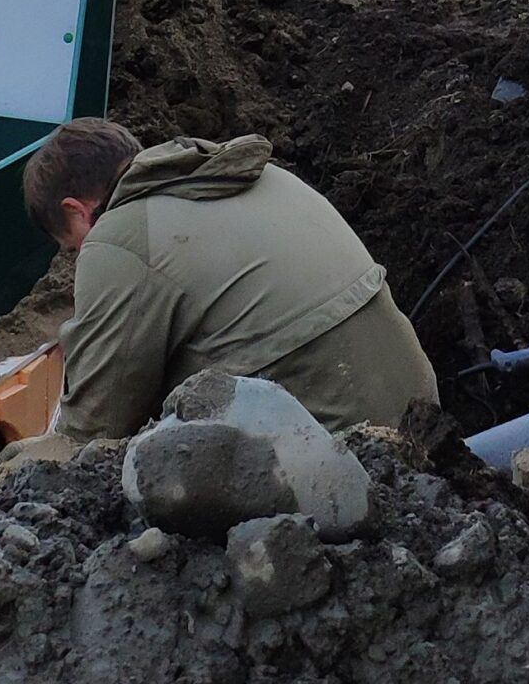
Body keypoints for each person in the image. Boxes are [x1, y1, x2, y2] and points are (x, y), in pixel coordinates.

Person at [22, 118, 439, 442]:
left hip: (334, 450)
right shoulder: (257, 176)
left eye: (73, 246)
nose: (80, 257)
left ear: (76, 210)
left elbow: (96, 427)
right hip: (422, 419)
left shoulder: (120, 237)